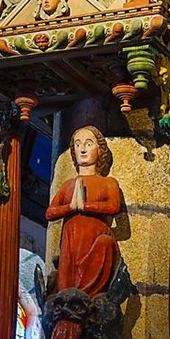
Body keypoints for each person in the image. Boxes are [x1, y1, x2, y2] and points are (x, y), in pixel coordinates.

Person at [46, 126, 120, 299]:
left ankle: (88, 296)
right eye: (77, 145)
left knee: (105, 244)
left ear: (100, 150)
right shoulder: (68, 185)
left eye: (89, 143)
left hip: (94, 238)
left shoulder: (108, 182)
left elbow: (113, 206)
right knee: (65, 288)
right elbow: (50, 212)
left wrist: (85, 206)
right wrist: (71, 208)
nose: (83, 149)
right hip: (71, 240)